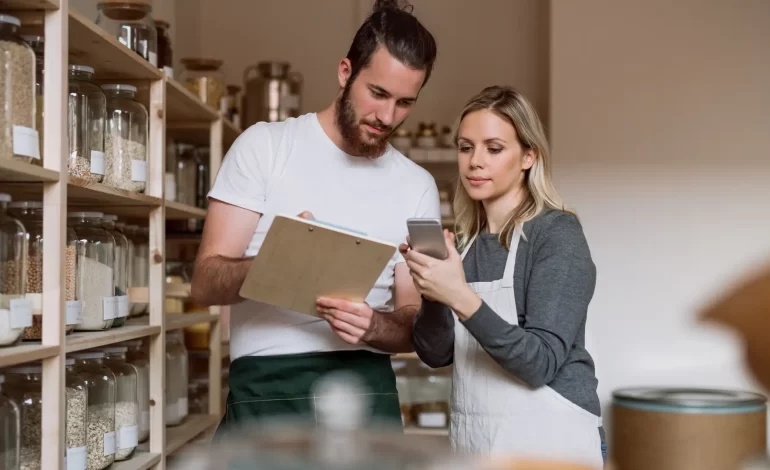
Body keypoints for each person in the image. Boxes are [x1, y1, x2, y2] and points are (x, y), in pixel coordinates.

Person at [191, 0, 439, 435]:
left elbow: (414, 321)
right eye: (377, 94)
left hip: (367, 390)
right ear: (345, 72)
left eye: (404, 103)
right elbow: (205, 283)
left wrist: (374, 326)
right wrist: (273, 261)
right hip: (268, 386)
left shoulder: (417, 185)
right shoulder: (264, 147)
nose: (387, 117)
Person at [403, 86, 605, 468]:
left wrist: (459, 295)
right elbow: (435, 354)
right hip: (477, 448)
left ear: (528, 156)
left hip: (552, 446)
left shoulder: (557, 235)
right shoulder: (464, 245)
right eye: (466, 147)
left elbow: (539, 363)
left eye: (494, 149)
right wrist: (433, 289)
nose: (475, 162)